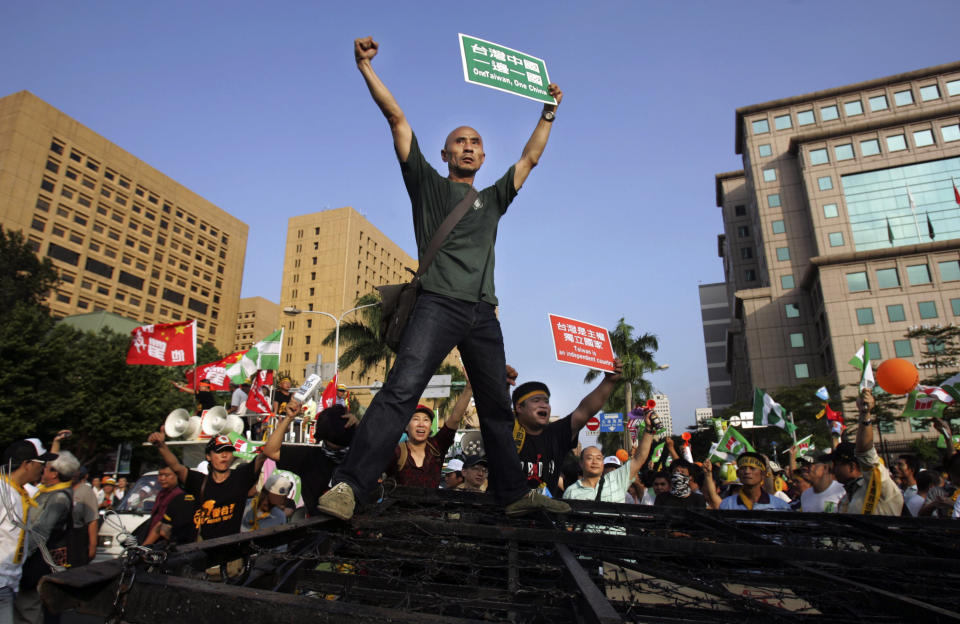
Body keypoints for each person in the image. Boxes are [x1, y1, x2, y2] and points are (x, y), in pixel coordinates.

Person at [316, 36, 568, 521]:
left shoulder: (492, 198)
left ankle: (513, 494)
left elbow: (531, 158)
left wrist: (548, 112)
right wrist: (364, 67)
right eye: (460, 142)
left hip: (483, 314)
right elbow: (397, 119)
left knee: (496, 407)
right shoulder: (428, 185)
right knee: (400, 392)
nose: (469, 148)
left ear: (482, 158)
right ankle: (348, 486)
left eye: (476, 143)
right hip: (435, 304)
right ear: (445, 153)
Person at [510, 360, 623, 497]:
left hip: (544, 514)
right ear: (519, 407)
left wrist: (609, 381)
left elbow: (584, 411)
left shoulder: (556, 434)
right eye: (536, 401)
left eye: (546, 401)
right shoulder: (507, 431)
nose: (544, 405)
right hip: (503, 515)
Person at [148, 431, 266, 540]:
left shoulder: (239, 478)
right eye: (219, 451)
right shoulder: (200, 482)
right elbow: (177, 467)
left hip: (232, 554)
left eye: (228, 451)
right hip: (205, 554)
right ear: (208, 456)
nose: (224, 455)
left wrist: (285, 419)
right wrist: (161, 446)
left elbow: (265, 454)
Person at [17, 451, 80, 624]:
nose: (42, 470)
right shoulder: (48, 491)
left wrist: (21, 555)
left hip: (40, 558)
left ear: (55, 474)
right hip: (38, 555)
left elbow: (41, 531)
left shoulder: (59, 497)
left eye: (47, 468)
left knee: (29, 606)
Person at [262, 403, 358, 517]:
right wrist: (288, 418)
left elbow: (270, 451)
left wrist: (288, 418)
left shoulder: (360, 457)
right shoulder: (359, 457)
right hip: (318, 528)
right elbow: (270, 451)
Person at [0, 440, 53, 622]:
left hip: (10, 582)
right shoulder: (2, 491)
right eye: (41, 464)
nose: (43, 469)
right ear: (26, 464)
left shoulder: (20, 493)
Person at [388, 381, 474, 488]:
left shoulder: (437, 447)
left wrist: (469, 388)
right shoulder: (396, 452)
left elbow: (455, 419)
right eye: (415, 419)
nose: (421, 424)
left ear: (429, 428)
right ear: (406, 426)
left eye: (426, 420)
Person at [832, 389, 903, 515]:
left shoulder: (880, 484)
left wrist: (865, 414)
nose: (833, 469)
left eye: (837, 464)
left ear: (852, 466)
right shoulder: (845, 499)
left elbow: (865, 452)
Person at [563, 437, 653, 503]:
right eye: (589, 458)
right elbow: (568, 526)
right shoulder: (571, 492)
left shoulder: (617, 480)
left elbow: (638, 459)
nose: (594, 462)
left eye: (599, 458)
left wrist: (648, 430)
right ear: (581, 463)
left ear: (602, 463)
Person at [719, 452, 792, 511]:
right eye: (743, 468)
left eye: (752, 468)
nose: (747, 472)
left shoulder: (779, 506)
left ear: (763, 474)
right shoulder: (727, 505)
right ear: (737, 473)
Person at [143, 466, 184, 539]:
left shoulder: (179, 495)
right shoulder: (161, 493)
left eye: (167, 475)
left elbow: (161, 525)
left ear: (177, 475)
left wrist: (145, 546)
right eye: (160, 475)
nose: (162, 478)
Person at [69, 467, 99, 566]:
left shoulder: (86, 490)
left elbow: (93, 519)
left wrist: (93, 546)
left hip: (77, 539)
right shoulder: (60, 488)